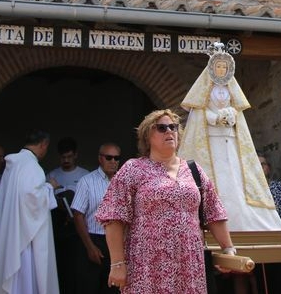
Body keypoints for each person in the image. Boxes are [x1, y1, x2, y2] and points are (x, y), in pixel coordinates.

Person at [96, 109, 236, 293]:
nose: (169, 131)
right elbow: (114, 217)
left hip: (189, 265)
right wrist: (117, 263)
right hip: (147, 266)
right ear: (147, 137)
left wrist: (228, 249)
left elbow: (214, 211)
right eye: (161, 128)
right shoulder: (133, 169)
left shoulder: (193, 170)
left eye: (173, 127)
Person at [180, 43, 281, 231]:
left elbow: (238, 112)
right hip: (211, 138)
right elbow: (199, 113)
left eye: (224, 67)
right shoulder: (205, 90)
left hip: (229, 138)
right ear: (212, 69)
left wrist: (230, 115)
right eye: (218, 66)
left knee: (234, 174)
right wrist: (215, 117)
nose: (221, 70)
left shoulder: (230, 90)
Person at [0, 130, 58, 294]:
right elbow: (31, 197)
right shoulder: (32, 166)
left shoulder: (14, 164)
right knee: (26, 273)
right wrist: (50, 186)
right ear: (44, 144)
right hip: (26, 236)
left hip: (12, 230)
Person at [71, 143, 122, 294]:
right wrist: (89, 246)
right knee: (90, 285)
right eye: (109, 157)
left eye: (116, 158)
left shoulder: (123, 182)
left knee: (114, 288)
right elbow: (78, 214)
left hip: (118, 242)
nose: (113, 161)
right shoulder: (86, 181)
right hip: (94, 239)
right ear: (100, 158)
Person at [47, 137, 89, 294]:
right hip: (58, 230)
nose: (66, 160)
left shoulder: (85, 176)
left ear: (76, 155)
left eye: (69, 157)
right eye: (63, 157)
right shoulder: (51, 175)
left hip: (79, 230)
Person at [255, 154, 281, 294]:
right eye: (256, 164)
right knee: (265, 282)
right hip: (261, 240)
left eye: (263, 164)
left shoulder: (279, 186)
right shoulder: (250, 191)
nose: (260, 168)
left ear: (268, 168)